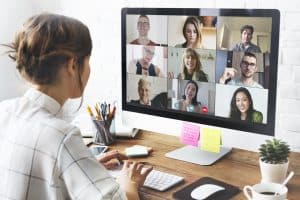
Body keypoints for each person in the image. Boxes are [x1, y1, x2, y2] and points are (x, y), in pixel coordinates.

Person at [0, 13, 152, 200]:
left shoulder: (4, 111)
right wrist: (130, 183)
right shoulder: (62, 135)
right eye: (88, 61)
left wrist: (82, 166)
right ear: (73, 65)